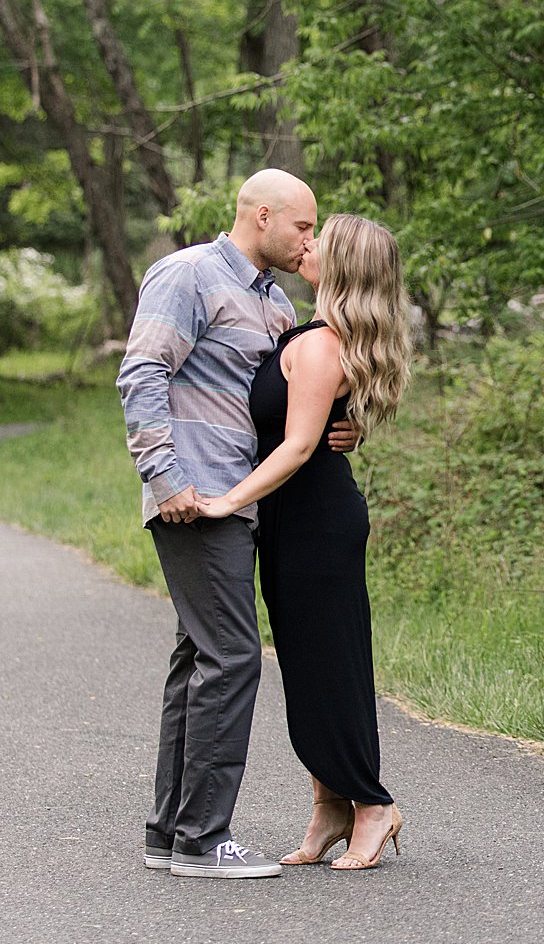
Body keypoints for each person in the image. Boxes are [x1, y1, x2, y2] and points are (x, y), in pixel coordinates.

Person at [115, 169, 358, 880]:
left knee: (197, 656)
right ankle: (203, 836)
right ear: (261, 215)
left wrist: (344, 430)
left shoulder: (276, 306)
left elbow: (282, 403)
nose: (311, 241)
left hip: (239, 498)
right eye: (303, 227)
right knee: (234, 656)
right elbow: (141, 374)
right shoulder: (187, 274)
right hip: (197, 497)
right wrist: (167, 480)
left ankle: (170, 830)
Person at [196, 213, 411, 871]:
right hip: (296, 523)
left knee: (330, 669)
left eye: (320, 241)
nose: (306, 245)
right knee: (310, 670)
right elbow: (313, 428)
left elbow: (295, 444)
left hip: (316, 523)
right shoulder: (312, 330)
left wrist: (229, 499)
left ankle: (374, 805)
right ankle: (330, 806)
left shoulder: (321, 344)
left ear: (341, 265)